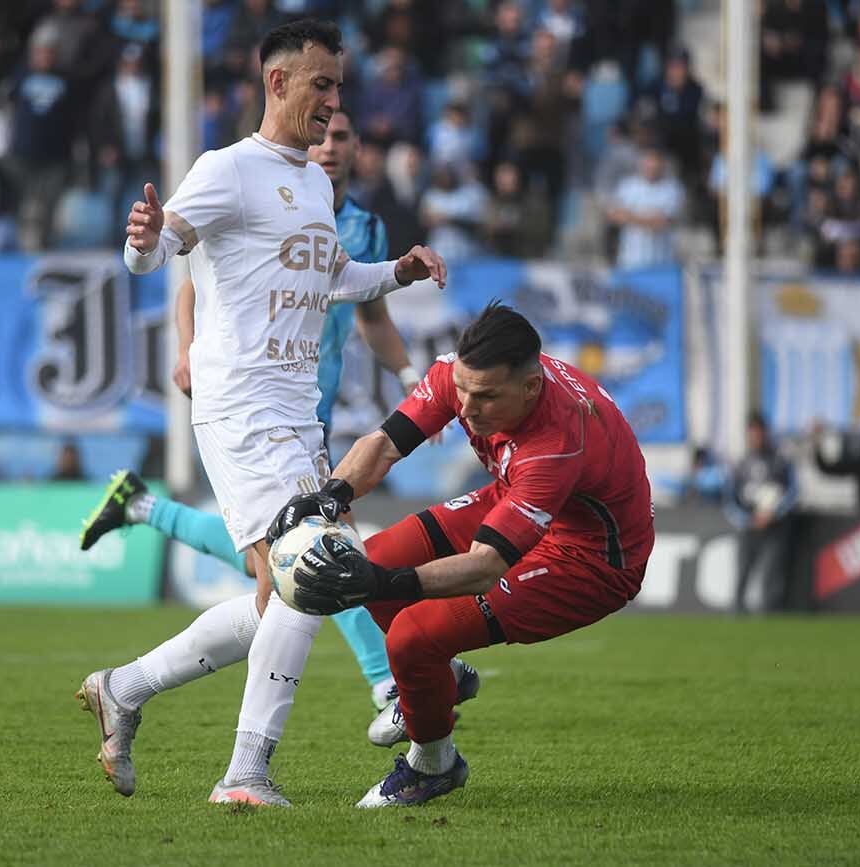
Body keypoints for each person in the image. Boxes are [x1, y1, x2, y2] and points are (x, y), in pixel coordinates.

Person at [73, 19, 447, 808]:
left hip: (295, 412)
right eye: (322, 84)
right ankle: (244, 771)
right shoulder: (226, 171)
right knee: (315, 570)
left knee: (280, 596)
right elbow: (157, 249)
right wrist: (139, 240)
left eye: (340, 85)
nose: (334, 102)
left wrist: (397, 272)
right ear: (277, 83)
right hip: (241, 403)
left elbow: (331, 275)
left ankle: (124, 687)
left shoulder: (313, 182)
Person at [265, 302, 654, 807]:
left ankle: (433, 766)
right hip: (516, 495)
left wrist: (380, 582)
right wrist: (331, 496)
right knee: (378, 553)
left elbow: (485, 566)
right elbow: (384, 444)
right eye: (464, 391)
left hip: (592, 559)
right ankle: (442, 682)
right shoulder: (460, 373)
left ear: (530, 387)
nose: (467, 410)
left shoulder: (556, 444)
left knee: (411, 633)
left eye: (487, 397)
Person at [726, 412, 798, 613]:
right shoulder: (741, 464)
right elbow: (730, 500)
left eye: (759, 432)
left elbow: (793, 492)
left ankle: (771, 617)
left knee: (772, 575)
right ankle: (737, 616)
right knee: (742, 573)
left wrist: (774, 513)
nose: (756, 437)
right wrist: (747, 518)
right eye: (752, 432)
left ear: (766, 433)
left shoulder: (780, 462)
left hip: (775, 526)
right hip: (748, 526)